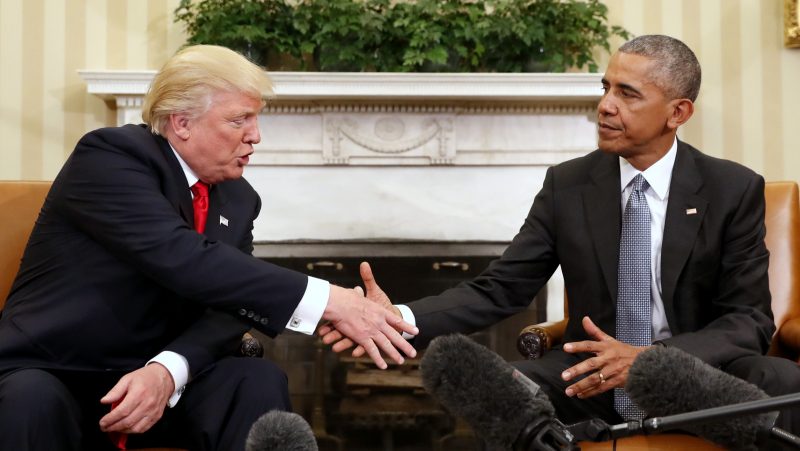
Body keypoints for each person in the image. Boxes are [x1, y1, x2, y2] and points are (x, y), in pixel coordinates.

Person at [322, 34, 800, 435]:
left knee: (782, 381)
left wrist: (651, 361)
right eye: (606, 87)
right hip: (590, 377)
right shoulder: (568, 184)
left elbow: (747, 320)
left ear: (678, 112)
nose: (606, 106)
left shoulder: (731, 188)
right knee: (505, 390)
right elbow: (501, 288)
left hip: (699, 375)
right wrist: (397, 318)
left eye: (628, 94)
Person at [0, 44, 417, 451]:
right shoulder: (110, 157)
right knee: (30, 399)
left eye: (255, 120)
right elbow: (183, 258)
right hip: (59, 370)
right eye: (240, 120)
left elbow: (229, 305)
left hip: (159, 381)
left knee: (256, 381)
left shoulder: (238, 198)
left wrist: (168, 370)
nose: (255, 137)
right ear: (182, 122)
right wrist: (331, 301)